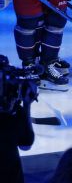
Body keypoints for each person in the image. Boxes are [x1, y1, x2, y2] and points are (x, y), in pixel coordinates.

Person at [0, 55, 36, 183]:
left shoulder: (14, 111)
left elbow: (26, 144)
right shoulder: (15, 112)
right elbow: (26, 144)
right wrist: (27, 106)